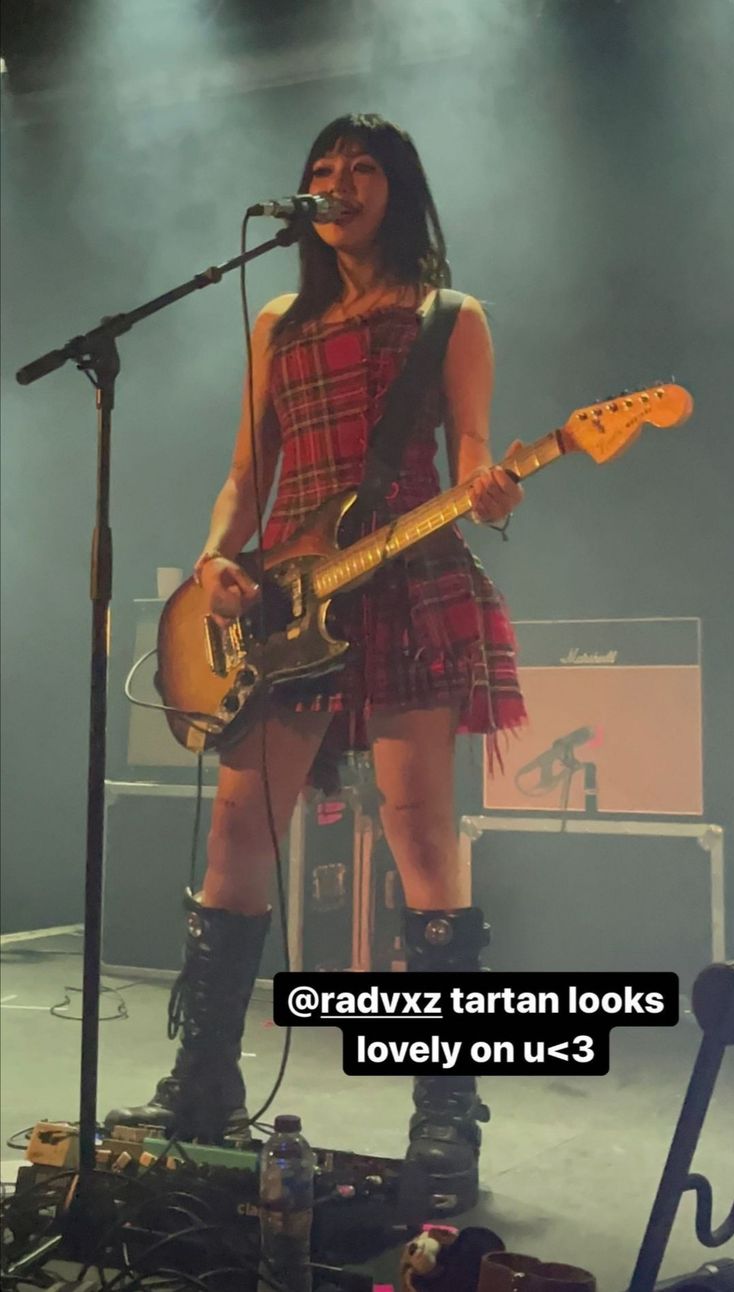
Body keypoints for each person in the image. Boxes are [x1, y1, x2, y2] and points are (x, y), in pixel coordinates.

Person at [106, 113, 526, 1214]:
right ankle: (200, 1086)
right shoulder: (280, 322)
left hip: (406, 574)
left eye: (362, 169)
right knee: (237, 832)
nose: (339, 183)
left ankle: (446, 1112)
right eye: (321, 171)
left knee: (421, 838)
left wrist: (491, 484)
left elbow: (476, 450)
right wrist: (214, 563)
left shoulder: (451, 316)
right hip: (284, 596)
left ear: (400, 188)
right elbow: (247, 472)